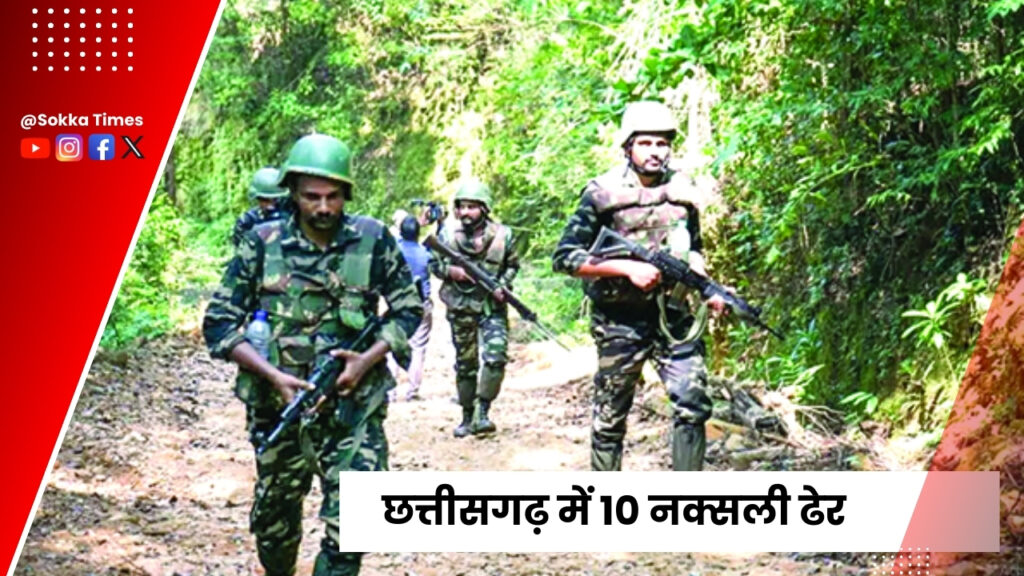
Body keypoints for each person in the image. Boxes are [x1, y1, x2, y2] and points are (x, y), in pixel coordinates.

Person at [203, 133, 422, 576]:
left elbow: (408, 309)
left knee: (356, 525)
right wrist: (272, 375)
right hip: (278, 410)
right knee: (275, 528)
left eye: (333, 197)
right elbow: (219, 324)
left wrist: (366, 359)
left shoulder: (373, 239)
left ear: (346, 194)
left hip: (354, 409)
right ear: (292, 193)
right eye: (311, 197)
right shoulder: (261, 243)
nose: (323, 207)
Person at [551, 100, 726, 472]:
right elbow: (565, 257)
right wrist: (626, 269)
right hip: (619, 320)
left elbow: (694, 249)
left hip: (674, 317)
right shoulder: (602, 194)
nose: (655, 151)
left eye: (662, 143)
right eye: (645, 143)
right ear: (628, 147)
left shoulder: (682, 191)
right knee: (610, 416)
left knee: (693, 405)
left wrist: (706, 287)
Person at [429, 178, 520, 437]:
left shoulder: (503, 235)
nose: (466, 212)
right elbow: (434, 264)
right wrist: (453, 272)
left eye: (472, 207)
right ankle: (467, 416)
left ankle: (483, 411)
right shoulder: (447, 236)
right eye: (462, 207)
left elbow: (512, 265)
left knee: (496, 357)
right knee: (465, 364)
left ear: (484, 208)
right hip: (461, 306)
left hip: (492, 307)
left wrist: (503, 285)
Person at [389, 215, 433, 401]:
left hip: (397, 302)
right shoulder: (425, 254)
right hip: (421, 302)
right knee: (418, 346)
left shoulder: (394, 251)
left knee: (392, 344)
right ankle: (412, 391)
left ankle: (390, 392)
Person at [232, 167, 288, 247]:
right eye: (265, 200)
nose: (270, 206)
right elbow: (241, 250)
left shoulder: (292, 216)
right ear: (258, 199)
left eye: (275, 200)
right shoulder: (248, 221)